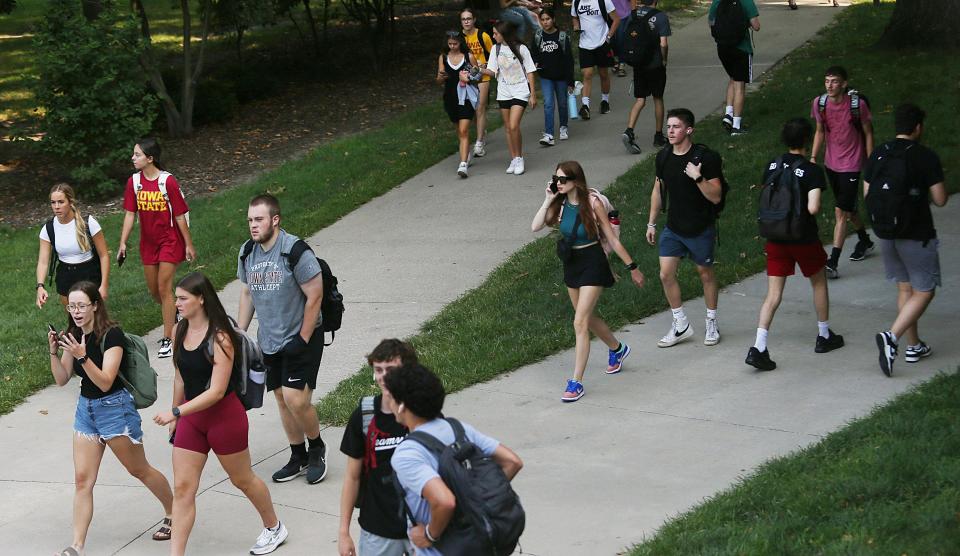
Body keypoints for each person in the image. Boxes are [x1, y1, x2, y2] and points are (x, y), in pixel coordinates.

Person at [153, 272, 288, 555]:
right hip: (192, 419)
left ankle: (274, 527)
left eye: (182, 299)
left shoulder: (221, 338)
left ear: (201, 299)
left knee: (242, 479)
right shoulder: (179, 331)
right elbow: (180, 377)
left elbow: (216, 392)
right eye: (176, 298)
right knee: (183, 489)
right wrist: (177, 415)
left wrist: (176, 410)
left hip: (224, 418)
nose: (176, 303)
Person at [47, 281, 173, 556]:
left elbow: (105, 381)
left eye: (81, 306)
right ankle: (76, 545)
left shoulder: (112, 335)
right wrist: (54, 353)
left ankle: (174, 511)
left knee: (139, 469)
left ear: (95, 305)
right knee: (82, 481)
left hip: (114, 409)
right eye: (72, 306)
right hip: (86, 411)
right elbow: (61, 379)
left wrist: (82, 357)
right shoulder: (72, 333)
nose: (76, 311)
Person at [531, 161, 645, 402]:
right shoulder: (559, 204)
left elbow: (612, 240)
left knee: (580, 322)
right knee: (587, 318)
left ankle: (576, 382)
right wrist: (547, 199)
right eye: (556, 178)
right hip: (572, 263)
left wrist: (632, 267)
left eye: (563, 180)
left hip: (593, 261)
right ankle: (617, 349)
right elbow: (535, 227)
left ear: (576, 181)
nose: (558, 183)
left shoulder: (592, 203)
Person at [237, 194, 328, 484]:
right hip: (270, 340)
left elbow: (316, 296)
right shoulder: (248, 252)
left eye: (259, 219)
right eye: (250, 219)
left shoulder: (295, 251)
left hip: (302, 336)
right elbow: (248, 292)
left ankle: (316, 449)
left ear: (275, 220)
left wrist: (301, 339)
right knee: (280, 398)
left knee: (296, 400)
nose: (253, 225)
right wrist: (240, 335)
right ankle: (297, 454)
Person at [386, 363, 524, 555]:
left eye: (391, 398)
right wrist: (475, 503)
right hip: (478, 542)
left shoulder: (408, 454)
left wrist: (429, 535)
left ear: (402, 406)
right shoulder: (458, 429)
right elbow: (512, 462)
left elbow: (445, 501)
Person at [745, 118, 844, 371]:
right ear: (808, 139)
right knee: (819, 282)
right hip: (803, 237)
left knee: (773, 294)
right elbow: (813, 207)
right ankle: (824, 335)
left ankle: (759, 346)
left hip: (775, 237)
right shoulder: (811, 170)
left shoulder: (772, 165)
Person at [865, 103, 948, 377]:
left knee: (905, 289)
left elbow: (867, 195)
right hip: (917, 233)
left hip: (886, 232)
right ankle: (893, 336)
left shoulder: (878, 154)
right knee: (925, 291)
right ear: (918, 128)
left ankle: (914, 346)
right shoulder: (924, 156)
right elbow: (940, 199)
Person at [646, 108, 724, 348]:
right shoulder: (664, 157)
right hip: (674, 227)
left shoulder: (706, 158)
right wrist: (651, 222)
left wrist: (698, 178)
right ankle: (680, 324)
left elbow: (716, 197)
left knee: (705, 274)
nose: (670, 131)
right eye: (668, 127)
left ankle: (711, 321)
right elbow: (658, 190)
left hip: (700, 227)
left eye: (676, 127)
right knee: (665, 274)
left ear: (689, 130)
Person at [337, 340, 420, 556]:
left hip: (421, 527)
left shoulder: (422, 412)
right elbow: (352, 477)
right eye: (378, 370)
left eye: (390, 370)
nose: (383, 376)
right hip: (377, 528)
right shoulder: (365, 416)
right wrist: (344, 532)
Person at [118, 138, 196, 358]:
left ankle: (170, 338)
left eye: (137, 155)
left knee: (164, 287)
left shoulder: (168, 182)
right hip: (148, 242)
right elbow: (130, 214)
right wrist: (123, 241)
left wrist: (188, 244)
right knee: (155, 290)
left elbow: (179, 215)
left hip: (170, 240)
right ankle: (176, 314)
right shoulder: (134, 183)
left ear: (150, 158)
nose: (133, 158)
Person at [810, 66, 875, 278]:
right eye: (827, 81)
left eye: (835, 81)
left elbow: (868, 133)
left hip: (853, 163)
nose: (830, 85)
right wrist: (813, 157)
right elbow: (820, 131)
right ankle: (865, 241)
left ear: (844, 84)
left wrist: (871, 162)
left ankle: (832, 262)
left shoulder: (858, 105)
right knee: (848, 209)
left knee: (841, 212)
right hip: (831, 163)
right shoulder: (820, 104)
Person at [36, 183, 110, 309]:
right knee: (74, 318)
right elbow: (43, 261)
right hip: (66, 275)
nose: (56, 207)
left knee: (94, 318)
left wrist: (104, 285)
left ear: (70, 202)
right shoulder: (48, 228)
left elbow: (104, 255)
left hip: (89, 273)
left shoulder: (88, 223)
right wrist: (40, 286)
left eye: (61, 202)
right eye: (53, 203)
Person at [482, 21, 538, 176]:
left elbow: (530, 71)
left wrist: (533, 94)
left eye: (495, 33)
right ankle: (513, 158)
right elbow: (492, 71)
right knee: (507, 127)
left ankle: (520, 158)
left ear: (504, 34)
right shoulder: (496, 48)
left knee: (514, 125)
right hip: (504, 91)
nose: (493, 36)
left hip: (520, 90)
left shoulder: (521, 48)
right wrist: (480, 70)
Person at [622, 0, 671, 154]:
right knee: (658, 98)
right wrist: (664, 60)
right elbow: (663, 43)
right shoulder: (661, 17)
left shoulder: (634, 14)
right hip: (655, 64)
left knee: (640, 100)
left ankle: (629, 130)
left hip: (639, 63)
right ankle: (658, 136)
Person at [708, 0, 759, 135]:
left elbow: (711, 23)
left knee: (733, 78)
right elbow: (756, 26)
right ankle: (736, 126)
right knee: (740, 86)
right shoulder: (746, 1)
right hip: (741, 48)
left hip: (723, 48)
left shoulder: (717, 2)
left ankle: (728, 114)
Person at [437, 31, 479, 179]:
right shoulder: (443, 58)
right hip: (450, 99)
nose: (453, 46)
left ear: (460, 42)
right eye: (450, 44)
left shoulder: (469, 57)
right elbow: (438, 81)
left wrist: (469, 78)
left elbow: (477, 76)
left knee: (463, 130)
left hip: (466, 98)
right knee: (459, 130)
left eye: (455, 43)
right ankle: (465, 153)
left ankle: (463, 164)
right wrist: (442, 77)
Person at [531, 8, 574, 146]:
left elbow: (569, 59)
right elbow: (533, 53)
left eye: (548, 19)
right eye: (542, 20)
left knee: (562, 103)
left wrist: (570, 81)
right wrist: (536, 62)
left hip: (561, 76)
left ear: (553, 19)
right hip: (545, 76)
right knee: (548, 104)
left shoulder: (562, 36)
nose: (545, 22)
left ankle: (563, 127)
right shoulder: (538, 36)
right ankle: (549, 134)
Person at [571, 0, 620, 119]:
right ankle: (585, 106)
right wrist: (576, 25)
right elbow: (574, 17)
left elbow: (616, 19)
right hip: (585, 44)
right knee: (587, 74)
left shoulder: (604, 1)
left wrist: (608, 37)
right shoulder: (576, 2)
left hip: (602, 43)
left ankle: (605, 101)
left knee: (603, 74)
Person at [460, 8, 494, 158]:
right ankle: (482, 130)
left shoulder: (483, 35)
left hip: (482, 75)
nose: (466, 21)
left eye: (469, 18)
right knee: (472, 109)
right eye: (463, 19)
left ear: (474, 20)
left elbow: (494, 53)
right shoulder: (459, 38)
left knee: (480, 108)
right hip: (466, 76)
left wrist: (486, 66)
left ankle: (479, 142)